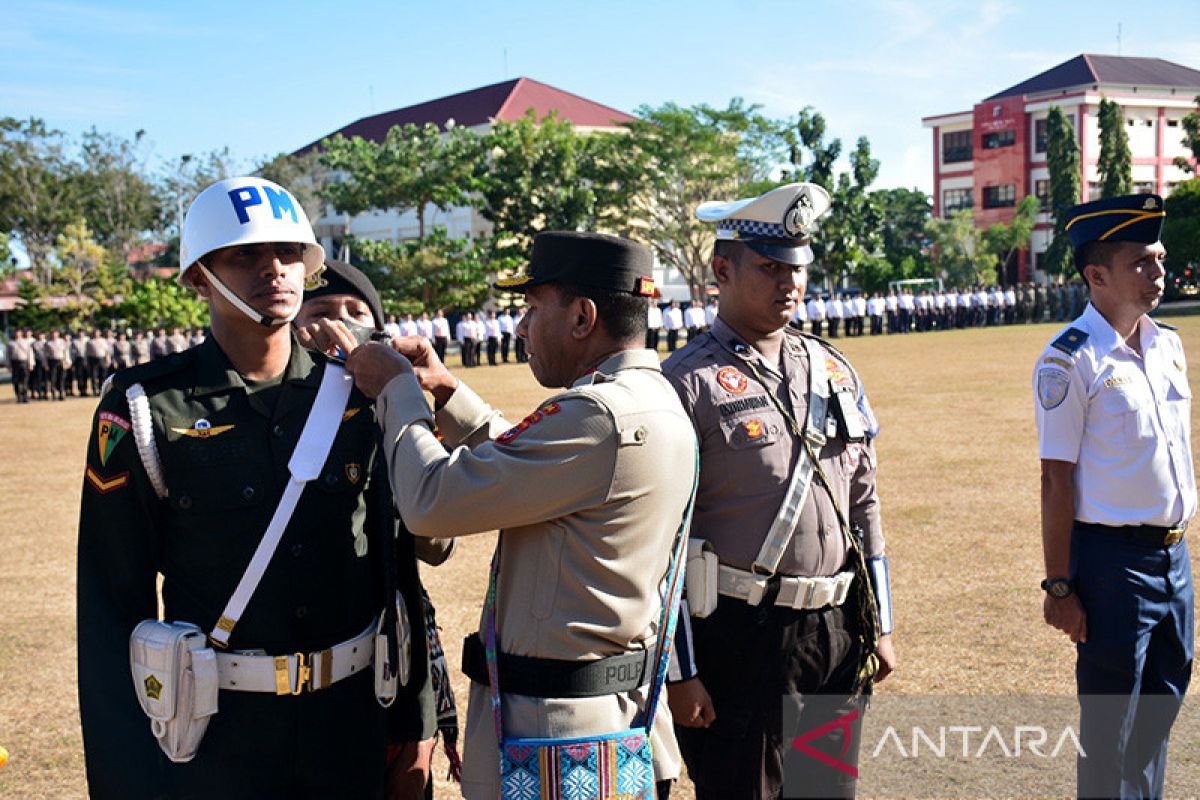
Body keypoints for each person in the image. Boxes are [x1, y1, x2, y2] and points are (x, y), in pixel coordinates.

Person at [76, 176, 431, 799]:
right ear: (198, 277)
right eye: (245, 255)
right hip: (214, 739)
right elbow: (111, 610)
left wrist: (415, 722)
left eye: (288, 253)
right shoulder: (143, 406)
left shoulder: (356, 390)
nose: (274, 270)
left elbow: (396, 573)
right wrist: (125, 778)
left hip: (348, 727)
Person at [323, 231, 696, 800]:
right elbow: (539, 472)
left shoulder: (597, 415)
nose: (520, 327)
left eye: (530, 308)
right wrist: (448, 392)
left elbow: (431, 501)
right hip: (601, 721)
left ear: (582, 317)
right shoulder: (644, 397)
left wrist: (396, 391)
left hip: (564, 742)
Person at [665, 183, 895, 799]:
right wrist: (682, 671)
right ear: (722, 270)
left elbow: (864, 504)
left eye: (798, 268)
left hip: (837, 628)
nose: (790, 282)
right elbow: (664, 544)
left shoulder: (834, 368)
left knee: (827, 791)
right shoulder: (686, 383)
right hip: (743, 637)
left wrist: (884, 624)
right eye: (770, 267)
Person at [1034, 193, 1194, 799]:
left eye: (1160, 258)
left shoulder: (1167, 343)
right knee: (1109, 731)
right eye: (1141, 263)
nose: (1158, 274)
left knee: (1160, 711)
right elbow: (1055, 480)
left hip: (1172, 560)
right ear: (1096, 275)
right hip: (1111, 567)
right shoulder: (1070, 360)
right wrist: (1059, 585)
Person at [295, 258, 456, 800]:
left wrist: (403, 408)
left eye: (356, 312)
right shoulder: (265, 412)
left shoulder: (393, 405)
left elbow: (436, 543)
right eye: (320, 313)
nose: (341, 323)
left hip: (392, 661)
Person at [7, 329, 33, 403]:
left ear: (21, 334)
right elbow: (7, 355)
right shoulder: (10, 343)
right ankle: (18, 396)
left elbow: (30, 353)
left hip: (24, 362)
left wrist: (31, 363)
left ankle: (25, 396)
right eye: (16, 333)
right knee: (16, 381)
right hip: (14, 363)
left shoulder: (26, 342)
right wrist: (8, 365)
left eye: (19, 333)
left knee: (25, 380)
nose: (17, 334)